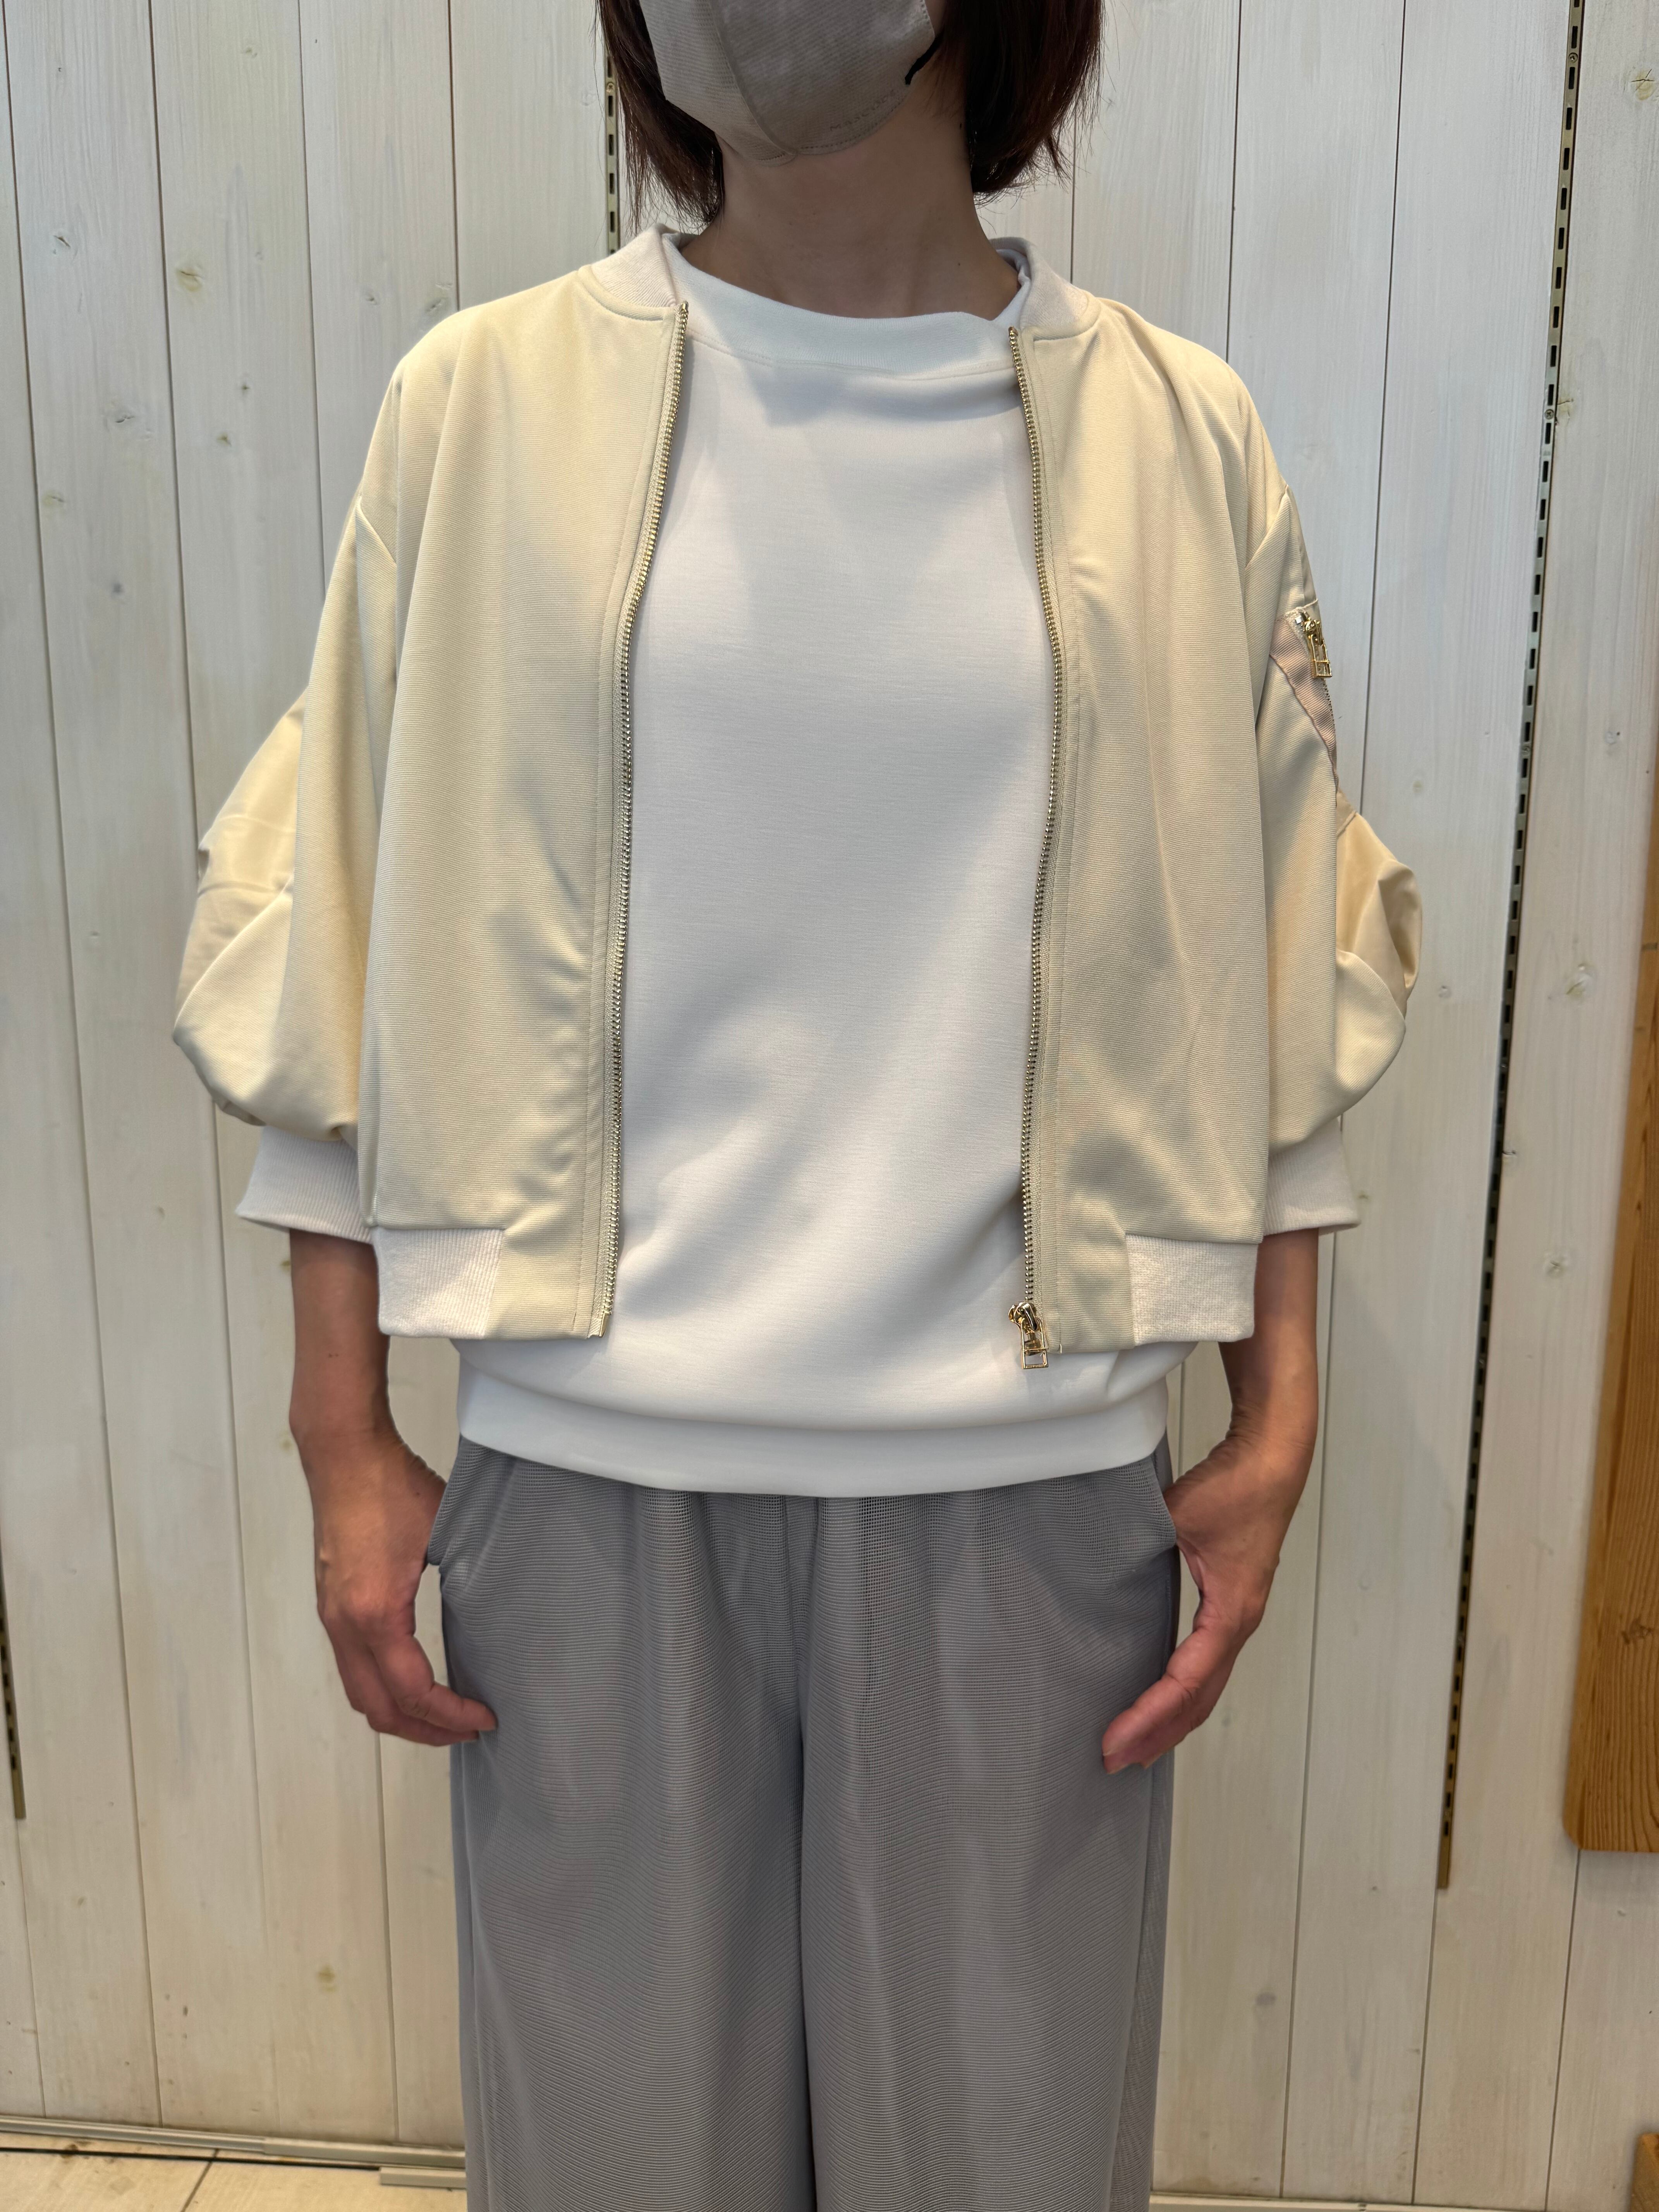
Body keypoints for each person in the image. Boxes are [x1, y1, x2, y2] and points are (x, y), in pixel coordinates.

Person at [173, 0, 1421, 2204]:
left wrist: (1281, 1400)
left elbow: (1266, 931)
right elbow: (342, 909)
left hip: (1032, 1494)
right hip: (588, 1486)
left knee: (1005, 2166)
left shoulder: (1179, 436)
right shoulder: (484, 408)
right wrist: (340, 1430)